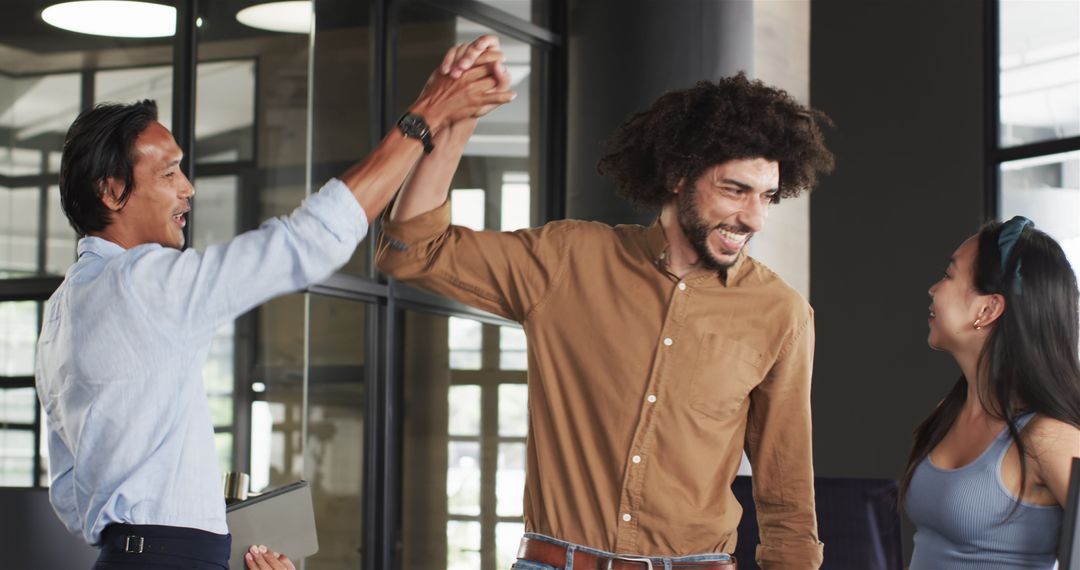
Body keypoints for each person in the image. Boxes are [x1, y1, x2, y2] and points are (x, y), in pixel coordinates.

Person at [35, 38, 513, 570]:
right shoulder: (143, 285)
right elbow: (309, 242)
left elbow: (72, 500)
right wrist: (426, 117)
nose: (188, 188)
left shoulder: (60, 312)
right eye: (169, 173)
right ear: (111, 191)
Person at [376, 52, 835, 569]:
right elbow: (412, 250)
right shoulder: (568, 260)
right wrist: (457, 120)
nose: (753, 218)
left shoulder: (780, 312)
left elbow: (786, 493)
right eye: (735, 190)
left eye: (767, 196)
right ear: (678, 175)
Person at [903, 216, 1080, 569]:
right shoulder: (950, 411)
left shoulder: (1048, 437)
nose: (933, 289)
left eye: (948, 275)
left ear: (988, 309)